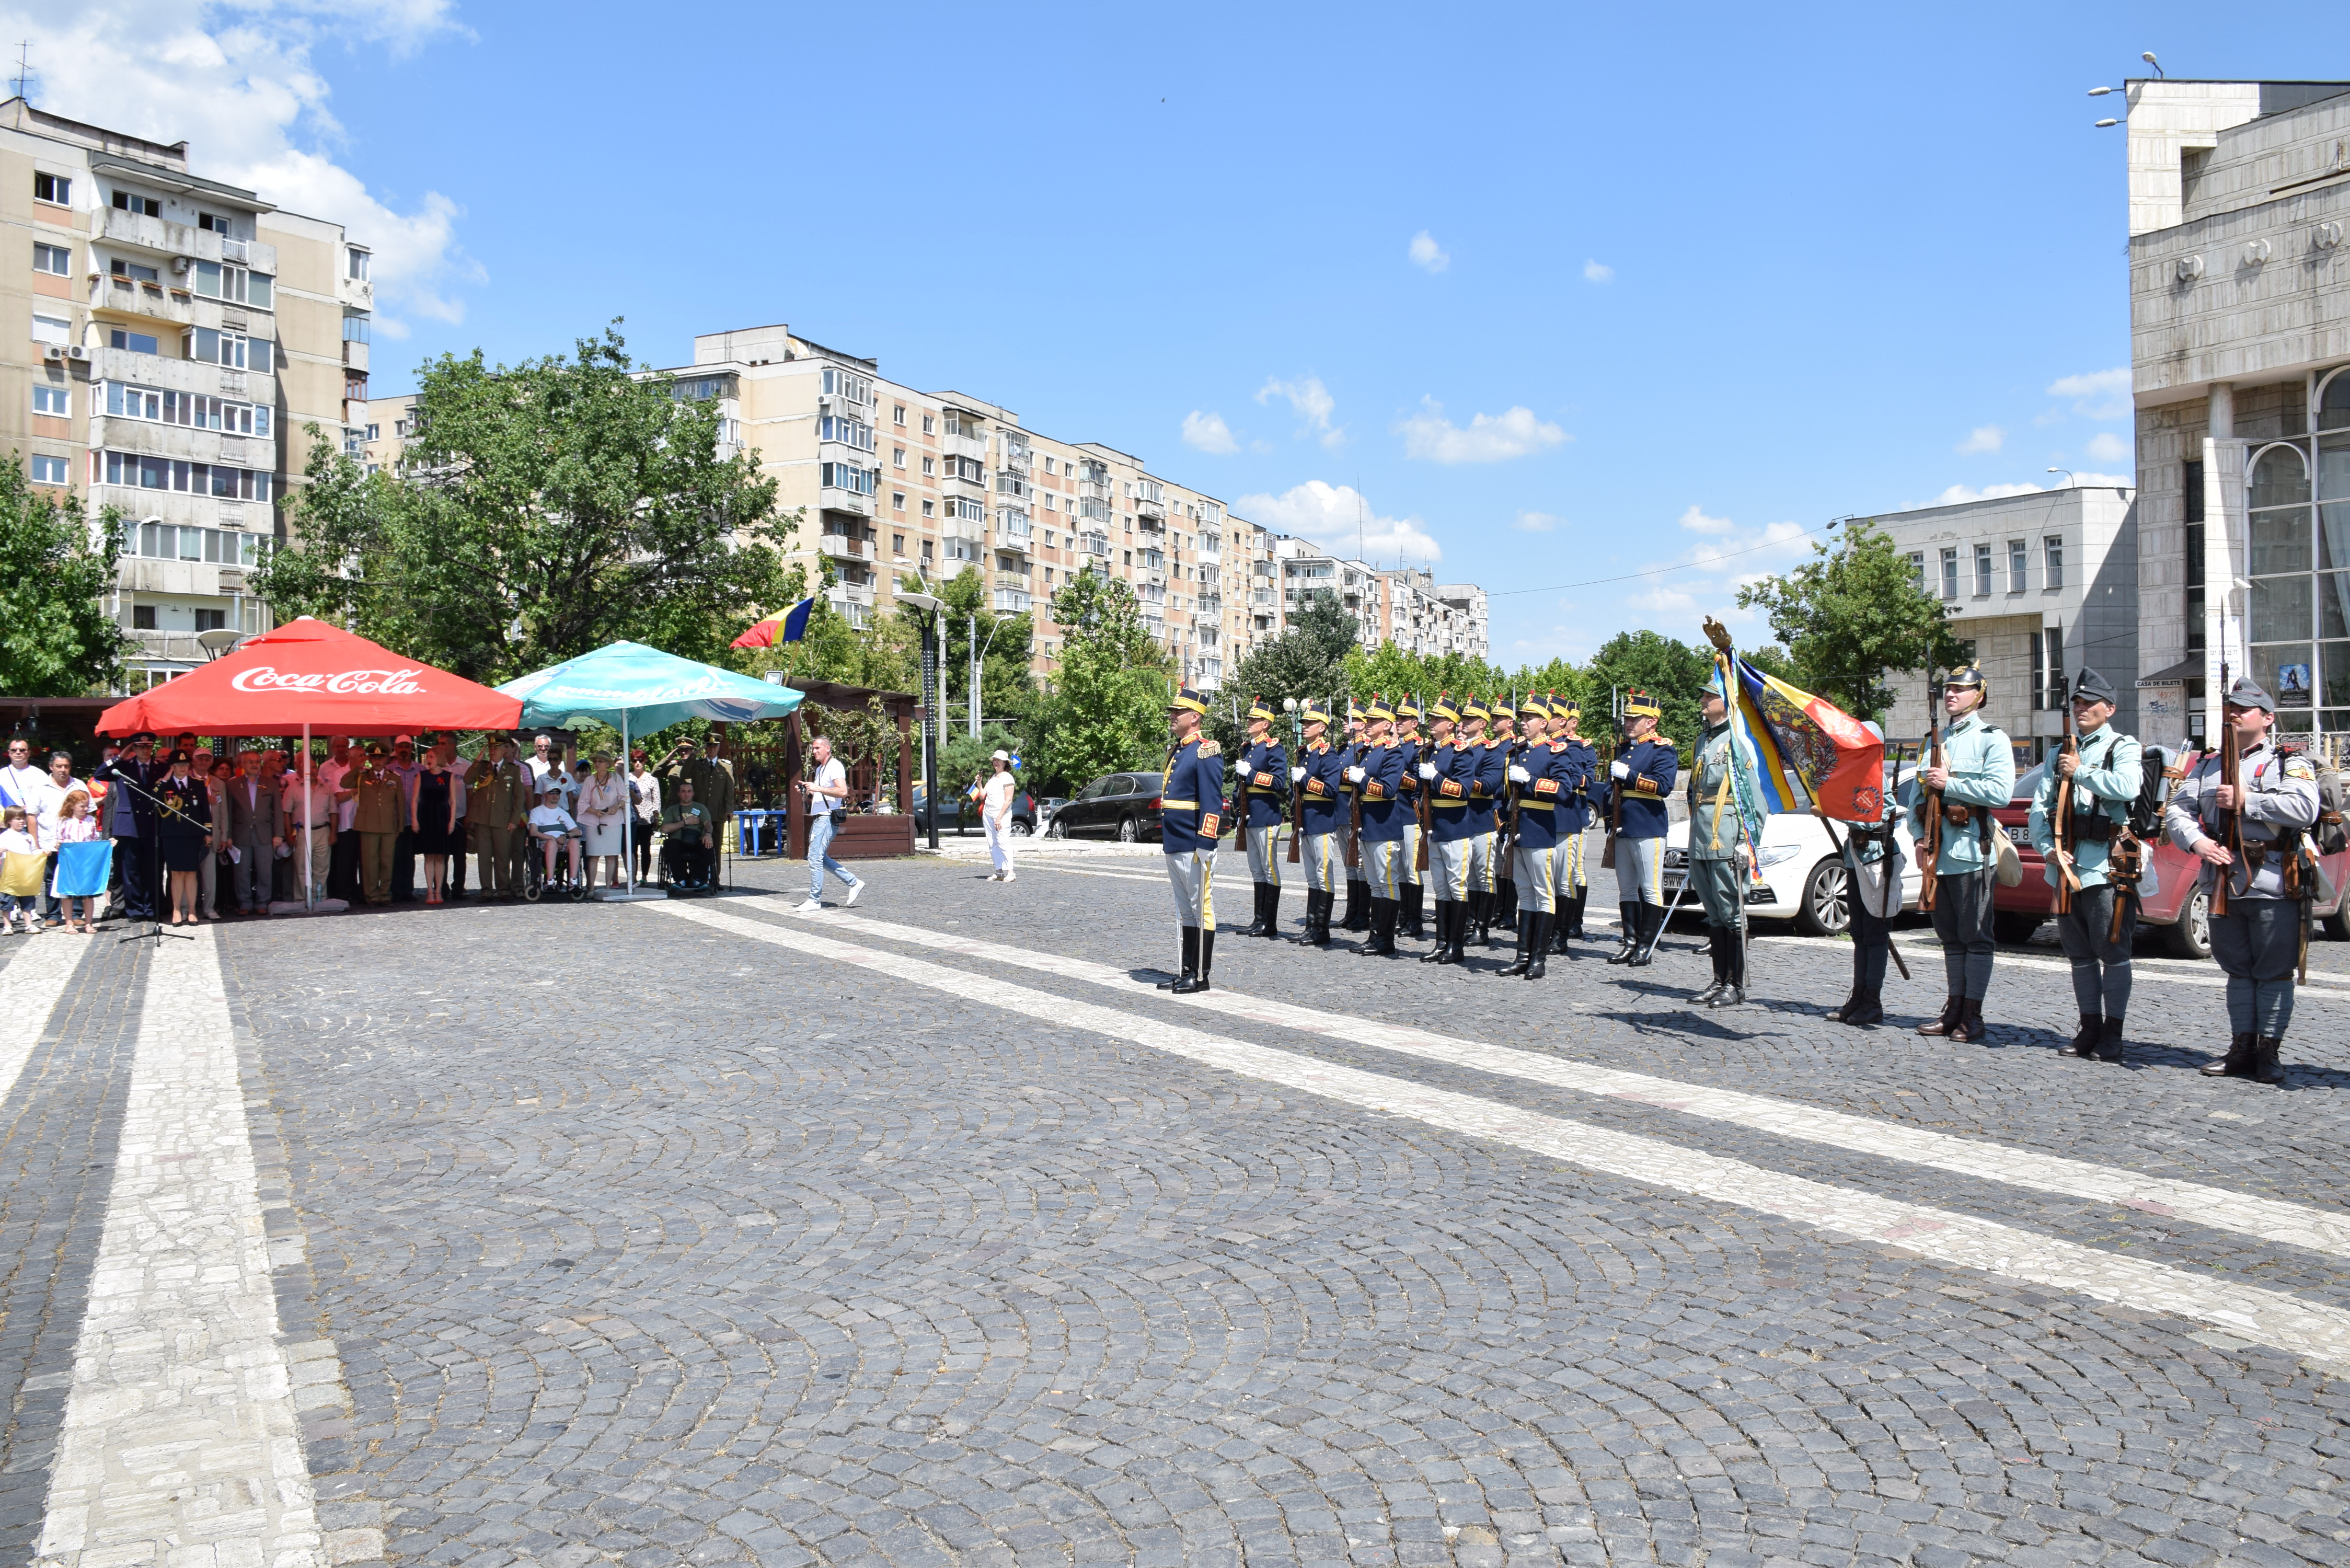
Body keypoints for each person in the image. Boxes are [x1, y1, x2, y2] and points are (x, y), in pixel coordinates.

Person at [2166, 674, 2321, 1086]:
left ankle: (2269, 1051)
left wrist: (2246, 799)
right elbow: (2177, 811)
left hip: (2272, 882)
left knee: (2273, 971)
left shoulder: (2289, 761)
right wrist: (2198, 843)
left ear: (2267, 718)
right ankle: (2241, 1047)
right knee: (2237, 969)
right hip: (2221, 881)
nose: (2233, 714)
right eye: (2230, 708)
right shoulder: (2209, 764)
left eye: (2243, 709)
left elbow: (2304, 808)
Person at [2028, 667, 2147, 1063]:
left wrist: (2082, 772)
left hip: (2106, 866)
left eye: (2089, 703)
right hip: (2066, 865)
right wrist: (2049, 851)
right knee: (2079, 954)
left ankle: (2114, 1031)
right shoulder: (2056, 753)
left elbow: (2129, 787)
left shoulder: (2123, 747)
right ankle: (2089, 1026)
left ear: (2109, 709)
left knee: (2112, 952)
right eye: (2076, 703)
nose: (2081, 709)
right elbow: (2039, 810)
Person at [1906, 664, 2018, 1044]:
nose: (1951, 694)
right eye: (1948, 689)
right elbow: (1916, 799)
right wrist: (1919, 839)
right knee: (1950, 936)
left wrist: (1950, 782)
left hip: (1972, 850)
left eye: (1960, 689)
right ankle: (1953, 1007)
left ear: (1978, 695)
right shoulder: (1933, 740)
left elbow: (2001, 793)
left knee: (1976, 936)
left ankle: (1973, 1012)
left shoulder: (1992, 739)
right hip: (1939, 852)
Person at [1685, 670, 1764, 1008]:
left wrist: (1749, 841)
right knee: (1714, 913)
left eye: (1709, 697)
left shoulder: (1737, 742)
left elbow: (1753, 798)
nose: (1703, 701)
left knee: (1732, 913)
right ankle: (1719, 979)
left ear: (1726, 704)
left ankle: (1736, 983)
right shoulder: (1703, 740)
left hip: (1727, 835)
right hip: (1703, 836)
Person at [1822, 724, 1902, 1029]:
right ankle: (1858, 997)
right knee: (1859, 935)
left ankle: (1872, 1001)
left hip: (1877, 861)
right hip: (1856, 860)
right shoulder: (1853, 774)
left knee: (1874, 935)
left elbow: (1882, 814)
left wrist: (1833, 811)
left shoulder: (1876, 775)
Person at [1155, 685, 1224, 993]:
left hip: (1195, 843)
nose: (1173, 716)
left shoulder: (1206, 751)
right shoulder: (1179, 750)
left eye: (1178, 712)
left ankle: (1201, 975)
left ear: (1194, 717)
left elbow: (1212, 802)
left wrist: (1206, 842)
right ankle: (1186, 970)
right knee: (1185, 910)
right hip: (1175, 841)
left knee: (1201, 908)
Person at [1501, 696, 1573, 977]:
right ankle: (1522, 956)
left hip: (1540, 827)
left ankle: (1539, 960)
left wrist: (1531, 781)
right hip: (1517, 828)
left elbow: (1565, 790)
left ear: (1544, 723)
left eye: (1529, 718)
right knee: (1525, 894)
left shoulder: (1557, 751)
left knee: (1543, 894)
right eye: (1522, 718)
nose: (1523, 722)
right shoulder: (1518, 751)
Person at [1605, 692, 1679, 967]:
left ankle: (1646, 945)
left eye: (1634, 719)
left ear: (1651, 722)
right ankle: (1629, 941)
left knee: (1650, 889)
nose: (1628, 723)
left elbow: (1664, 787)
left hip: (1648, 825)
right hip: (1623, 827)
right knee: (1626, 890)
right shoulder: (1623, 749)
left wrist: (1631, 777)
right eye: (1627, 718)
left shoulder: (1663, 749)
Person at [1347, 696, 1409, 959]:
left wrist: (1363, 779)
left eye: (1373, 721)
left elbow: (1389, 789)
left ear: (1387, 725)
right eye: (1367, 720)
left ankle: (1386, 938)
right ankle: (1375, 935)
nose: (1367, 724)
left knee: (1388, 883)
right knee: (1375, 884)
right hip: (1369, 825)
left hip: (1384, 825)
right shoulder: (1370, 751)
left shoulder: (1393, 751)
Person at [1420, 695, 1475, 965]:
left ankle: (1456, 945)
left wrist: (1437, 778)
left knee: (1457, 887)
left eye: (1438, 719)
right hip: (1435, 827)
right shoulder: (1432, 750)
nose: (1432, 722)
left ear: (1451, 725)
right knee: (1440, 889)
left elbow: (1464, 790)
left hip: (1455, 827)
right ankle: (1441, 943)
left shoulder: (1461, 750)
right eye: (1432, 718)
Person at [1288, 701, 1345, 947]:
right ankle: (1312, 927)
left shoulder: (1328, 754)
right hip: (1306, 821)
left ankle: (1322, 929)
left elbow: (1332, 790)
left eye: (1310, 723)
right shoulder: (1304, 753)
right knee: (1312, 878)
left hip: (1322, 821)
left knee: (1324, 877)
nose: (1305, 727)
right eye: (1304, 723)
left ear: (1322, 728)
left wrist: (1307, 779)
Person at [1232, 699, 1287, 935]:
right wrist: (1238, 812)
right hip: (1250, 816)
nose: (1249, 722)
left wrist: (1252, 774)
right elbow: (1239, 788)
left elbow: (1278, 782)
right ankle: (1258, 920)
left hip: (1266, 815)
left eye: (1254, 720)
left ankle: (1270, 923)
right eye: (1249, 719)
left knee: (1269, 868)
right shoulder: (1247, 748)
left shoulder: (1273, 748)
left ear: (1266, 724)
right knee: (1256, 870)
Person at [93, 732, 160, 921]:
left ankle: (150, 908)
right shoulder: (123, 766)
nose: (145, 751)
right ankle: (135, 910)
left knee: (151, 870)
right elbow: (99, 774)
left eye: (148, 747)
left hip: (151, 823)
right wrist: (120, 756)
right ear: (134, 749)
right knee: (131, 871)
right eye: (140, 747)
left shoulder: (160, 767)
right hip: (129, 824)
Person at [1458, 700, 1505, 949]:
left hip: (1481, 820)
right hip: (1461, 821)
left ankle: (1482, 928)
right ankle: (1469, 922)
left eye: (1469, 720)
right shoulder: (1458, 749)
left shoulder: (1491, 750)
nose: (1463, 723)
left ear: (1482, 725)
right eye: (1463, 719)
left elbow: (1488, 785)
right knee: (1469, 879)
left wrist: (1460, 780)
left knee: (1484, 877)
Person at [1550, 698, 1598, 949]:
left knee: (1570, 874)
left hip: (1569, 812)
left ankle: (1570, 925)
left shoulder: (1577, 746)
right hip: (1544, 815)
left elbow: (1583, 780)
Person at [795, 734, 861, 910]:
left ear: (827, 749)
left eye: (818, 748)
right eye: (813, 748)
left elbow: (842, 792)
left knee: (815, 857)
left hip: (826, 817)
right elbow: (821, 795)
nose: (814, 751)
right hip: (819, 816)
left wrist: (817, 788)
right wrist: (807, 791)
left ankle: (814, 900)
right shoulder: (820, 769)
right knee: (820, 857)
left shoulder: (835, 766)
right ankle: (854, 883)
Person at [223, 749, 284, 916]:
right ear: (242, 765)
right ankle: (245, 903)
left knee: (265, 871)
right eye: (250, 762)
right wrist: (227, 835)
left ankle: (262, 903)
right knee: (242, 871)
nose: (254, 765)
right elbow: (227, 812)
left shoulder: (270, 783)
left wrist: (279, 834)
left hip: (265, 834)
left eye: (257, 761)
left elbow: (278, 810)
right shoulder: (232, 784)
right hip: (240, 834)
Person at [155, 751, 213, 926]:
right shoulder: (165, 784)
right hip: (172, 835)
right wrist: (165, 780)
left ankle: (193, 910)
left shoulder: (197, 784)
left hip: (193, 834)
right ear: (172, 767)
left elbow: (204, 810)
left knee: (191, 873)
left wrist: (208, 832)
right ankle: (177, 910)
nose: (182, 768)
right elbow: (155, 799)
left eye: (185, 765)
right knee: (176, 873)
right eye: (178, 765)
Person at [33, 749, 87, 929]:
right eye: (59, 766)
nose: (63, 770)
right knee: (51, 878)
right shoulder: (41, 787)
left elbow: (90, 811)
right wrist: (36, 843)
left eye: (66, 766)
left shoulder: (79, 785)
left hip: (76, 843)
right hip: (49, 841)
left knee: (76, 877)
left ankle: (77, 914)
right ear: (51, 767)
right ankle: (53, 914)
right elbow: (32, 816)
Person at [1482, 702, 1520, 948]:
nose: (1495, 721)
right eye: (1493, 717)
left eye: (1500, 718)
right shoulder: (1492, 747)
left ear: (1511, 722)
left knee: (1512, 867)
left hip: (1507, 809)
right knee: (1499, 867)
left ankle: (1509, 913)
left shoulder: (1515, 746)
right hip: (1495, 810)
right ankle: (1498, 911)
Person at [353, 744, 403, 905]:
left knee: (387, 862)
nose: (377, 761)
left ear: (386, 759)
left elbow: (400, 803)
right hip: (368, 825)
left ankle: (385, 895)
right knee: (370, 863)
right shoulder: (362, 776)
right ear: (370, 759)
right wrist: (359, 767)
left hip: (389, 825)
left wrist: (400, 826)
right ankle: (372, 896)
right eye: (374, 758)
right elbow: (344, 783)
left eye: (380, 758)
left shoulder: (394, 777)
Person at [410, 746, 459, 904]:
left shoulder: (449, 776)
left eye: (431, 756)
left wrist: (452, 821)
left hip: (442, 816)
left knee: (440, 856)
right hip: (426, 816)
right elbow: (415, 799)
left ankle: (439, 890)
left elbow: (453, 801)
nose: (428, 760)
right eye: (427, 757)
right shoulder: (421, 776)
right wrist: (414, 819)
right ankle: (429, 891)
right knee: (429, 856)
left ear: (439, 758)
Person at [49, 787, 102, 933]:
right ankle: (69, 923)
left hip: (85, 863)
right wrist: (59, 845)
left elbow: (95, 840)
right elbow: (58, 840)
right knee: (68, 895)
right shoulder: (64, 821)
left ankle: (89, 923)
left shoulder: (90, 821)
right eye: (82, 806)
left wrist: (106, 845)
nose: (85, 809)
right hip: (69, 863)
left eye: (86, 806)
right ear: (72, 805)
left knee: (88, 894)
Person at [1337, 701, 1369, 933]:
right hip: (1339, 811)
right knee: (1349, 865)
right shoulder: (1344, 749)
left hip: (1352, 810)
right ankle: (1351, 912)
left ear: (1362, 725)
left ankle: (1362, 914)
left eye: (1351, 720)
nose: (1345, 723)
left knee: (1359, 866)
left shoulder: (1363, 749)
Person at [575, 752, 628, 890]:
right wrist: (594, 811)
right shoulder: (589, 780)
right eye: (596, 761)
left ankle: (608, 888)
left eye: (601, 761)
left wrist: (616, 807)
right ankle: (592, 888)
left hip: (613, 822)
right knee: (594, 855)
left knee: (611, 856)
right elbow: (582, 803)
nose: (597, 764)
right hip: (594, 822)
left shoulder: (616, 778)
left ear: (607, 764)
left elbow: (625, 798)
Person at [661, 778, 717, 890]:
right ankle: (680, 880)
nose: (686, 794)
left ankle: (699, 880)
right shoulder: (672, 810)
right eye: (683, 791)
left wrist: (708, 834)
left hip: (697, 840)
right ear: (679, 794)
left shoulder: (700, 808)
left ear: (693, 793)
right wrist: (685, 822)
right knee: (670, 845)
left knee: (707, 845)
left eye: (689, 791)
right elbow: (665, 829)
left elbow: (708, 824)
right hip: (678, 841)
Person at [526, 784, 583, 885]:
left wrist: (565, 836)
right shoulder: (537, 812)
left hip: (563, 842)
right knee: (552, 844)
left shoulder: (564, 813)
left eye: (557, 793)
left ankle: (573, 881)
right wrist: (552, 838)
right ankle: (550, 881)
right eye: (552, 793)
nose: (555, 796)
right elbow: (533, 832)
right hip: (545, 843)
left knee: (574, 842)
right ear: (545, 795)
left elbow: (577, 831)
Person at [980, 749, 1019, 882]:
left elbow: (1008, 800)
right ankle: (999, 871)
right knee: (992, 843)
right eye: (995, 760)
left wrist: (999, 817)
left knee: (1003, 842)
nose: (996, 763)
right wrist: (979, 783)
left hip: (1001, 814)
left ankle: (1011, 872)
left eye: (999, 761)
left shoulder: (1008, 777)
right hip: (988, 813)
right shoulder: (992, 778)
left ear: (1005, 763)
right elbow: (982, 795)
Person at [0, 807, 39, 934]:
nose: (22, 821)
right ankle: (7, 925)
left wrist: (43, 852)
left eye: (23, 818)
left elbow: (33, 852)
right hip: (9, 874)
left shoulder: (28, 836)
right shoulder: (4, 836)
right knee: (8, 899)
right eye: (18, 819)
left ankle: (29, 924)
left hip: (25, 874)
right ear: (9, 821)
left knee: (27, 899)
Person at [628, 750, 661, 885]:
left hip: (647, 819)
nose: (638, 763)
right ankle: (633, 876)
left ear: (645, 761)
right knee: (632, 849)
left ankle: (645, 876)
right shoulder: (627, 778)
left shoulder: (652, 779)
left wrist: (656, 816)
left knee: (646, 849)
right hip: (632, 818)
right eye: (635, 760)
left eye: (640, 760)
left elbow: (657, 800)